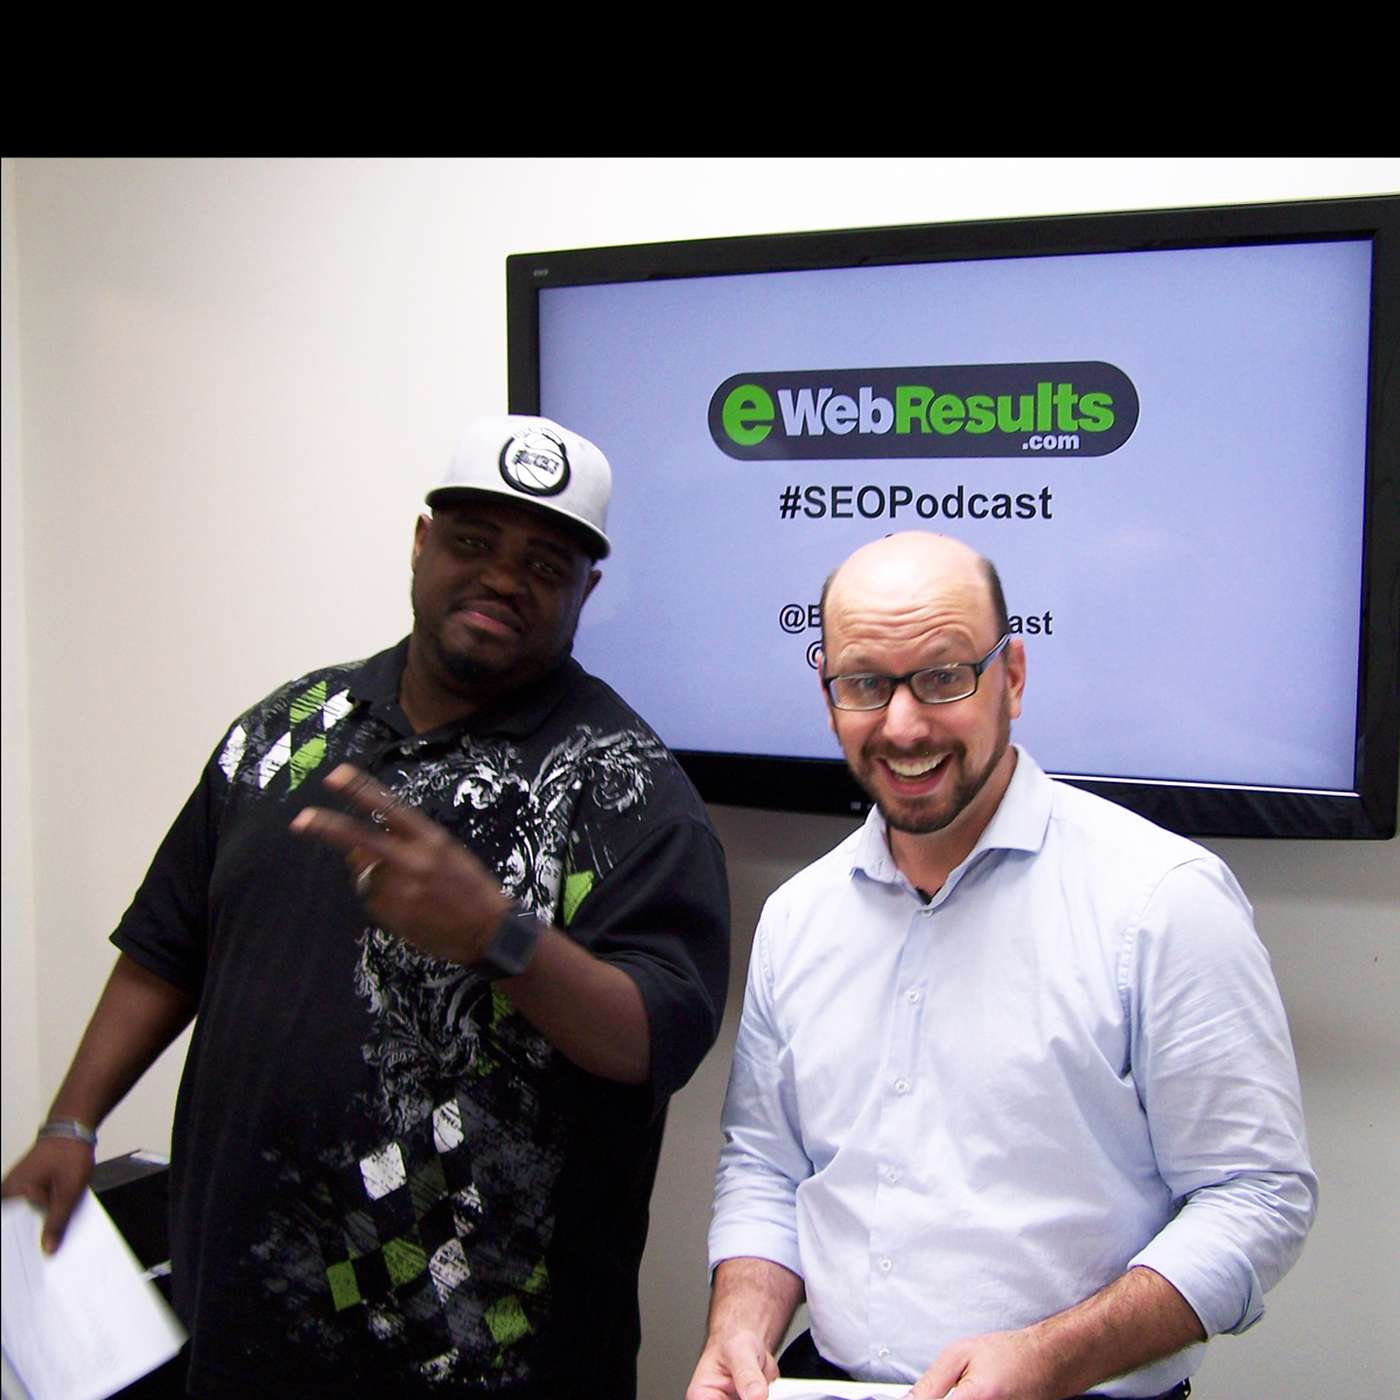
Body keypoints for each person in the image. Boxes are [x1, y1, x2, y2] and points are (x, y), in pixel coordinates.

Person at [4, 415, 731, 1400]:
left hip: (478, 1357)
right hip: (242, 1323)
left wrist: (497, 933)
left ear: (585, 591)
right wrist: (72, 1123)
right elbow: (167, 945)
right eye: (473, 542)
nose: (502, 579)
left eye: (543, 564)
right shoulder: (288, 728)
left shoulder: (628, 788)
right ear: (422, 542)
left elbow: (655, 1037)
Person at [687, 532, 1315, 1400]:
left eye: (944, 676)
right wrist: (739, 1330)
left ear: (1011, 676)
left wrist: (1053, 1357)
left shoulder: (1161, 900)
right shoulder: (800, 916)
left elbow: (1256, 1199)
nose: (903, 724)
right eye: (865, 683)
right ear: (829, 695)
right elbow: (766, 1166)